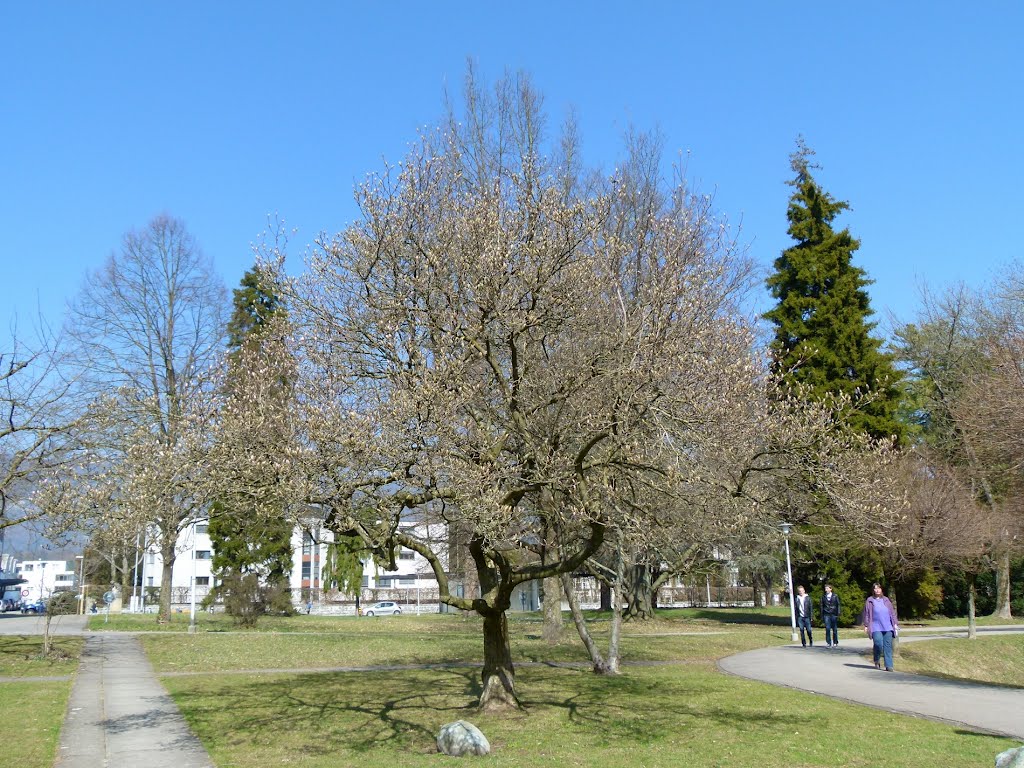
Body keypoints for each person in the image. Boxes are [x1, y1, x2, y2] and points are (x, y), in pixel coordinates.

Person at [862, 582, 899, 671]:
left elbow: (892, 613)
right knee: (878, 644)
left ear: (881, 589)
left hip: (888, 626)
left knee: (887, 646)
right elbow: (866, 613)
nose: (877, 590)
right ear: (873, 590)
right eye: (875, 588)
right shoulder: (870, 600)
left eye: (879, 588)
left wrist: (895, 623)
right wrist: (866, 625)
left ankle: (889, 665)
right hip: (875, 626)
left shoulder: (886, 600)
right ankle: (877, 659)